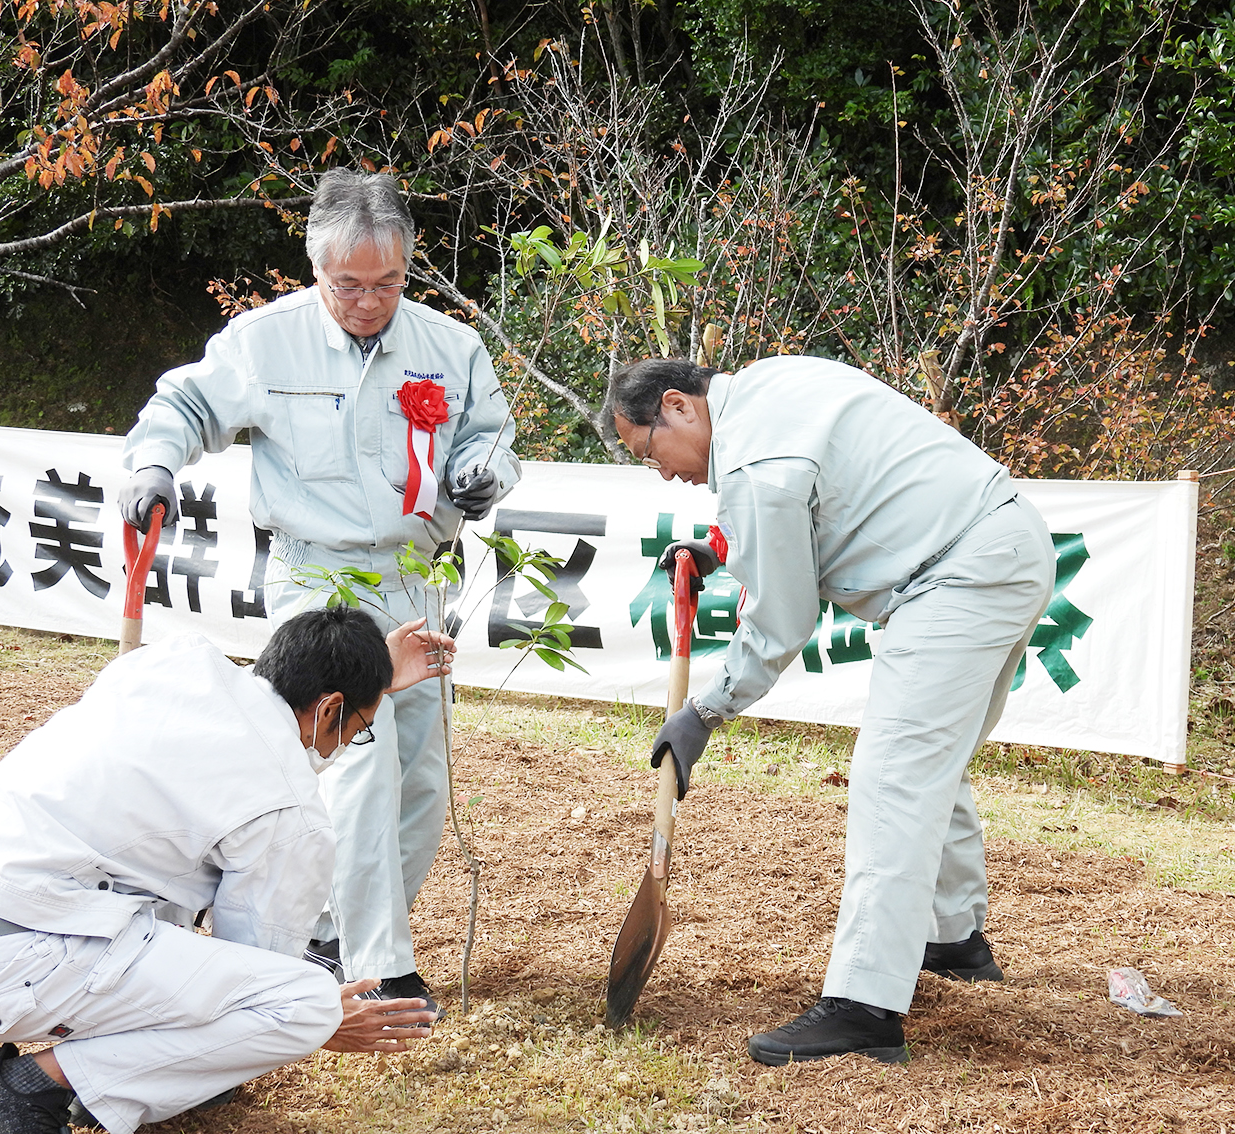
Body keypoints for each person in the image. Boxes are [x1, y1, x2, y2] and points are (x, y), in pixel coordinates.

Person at [118, 169, 520, 1015]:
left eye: (387, 284)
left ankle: (334, 932)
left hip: (418, 577)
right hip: (319, 579)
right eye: (348, 286)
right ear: (316, 269)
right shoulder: (265, 341)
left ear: (408, 269)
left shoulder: (451, 347)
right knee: (360, 764)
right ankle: (381, 966)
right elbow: (183, 404)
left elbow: (490, 434)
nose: (368, 303)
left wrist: (485, 472)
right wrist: (153, 465)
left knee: (422, 782)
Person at [611, 354, 1055, 1066]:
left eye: (649, 452)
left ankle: (864, 1006)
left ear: (678, 406)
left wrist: (705, 713)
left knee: (895, 776)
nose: (662, 473)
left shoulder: (755, 464)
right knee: (929, 759)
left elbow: (781, 620)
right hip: (1005, 543)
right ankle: (953, 940)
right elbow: (827, 494)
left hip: (957, 573)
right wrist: (724, 546)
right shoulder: (772, 384)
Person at [0, 606, 454, 1133]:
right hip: (7, 960)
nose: (347, 744)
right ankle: (27, 1089)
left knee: (167, 895)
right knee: (304, 1002)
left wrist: (368, 672)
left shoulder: (173, 660)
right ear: (329, 709)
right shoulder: (291, 812)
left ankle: (123, 1075)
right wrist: (325, 1022)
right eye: (358, 728)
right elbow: (258, 968)